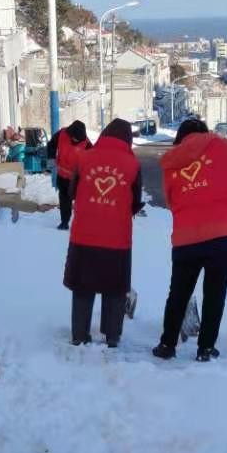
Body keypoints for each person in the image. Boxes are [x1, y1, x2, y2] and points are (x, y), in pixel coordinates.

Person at [154, 118, 227, 362]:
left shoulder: (172, 161)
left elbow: (171, 200)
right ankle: (205, 348)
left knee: (178, 293)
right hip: (223, 234)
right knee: (215, 293)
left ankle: (167, 345)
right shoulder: (221, 146)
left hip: (186, 236)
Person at [63, 118, 143, 347]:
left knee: (82, 287)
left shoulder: (84, 158)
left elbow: (72, 192)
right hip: (117, 239)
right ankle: (112, 336)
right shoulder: (133, 164)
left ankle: (79, 334)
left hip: (84, 235)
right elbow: (135, 201)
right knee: (115, 288)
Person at [46, 120, 91, 230]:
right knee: (64, 200)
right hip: (62, 175)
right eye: (75, 138)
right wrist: (51, 158)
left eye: (79, 139)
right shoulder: (62, 134)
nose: (76, 140)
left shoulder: (87, 144)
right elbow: (51, 144)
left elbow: (93, 160)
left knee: (81, 201)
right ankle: (64, 222)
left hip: (77, 178)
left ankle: (83, 223)